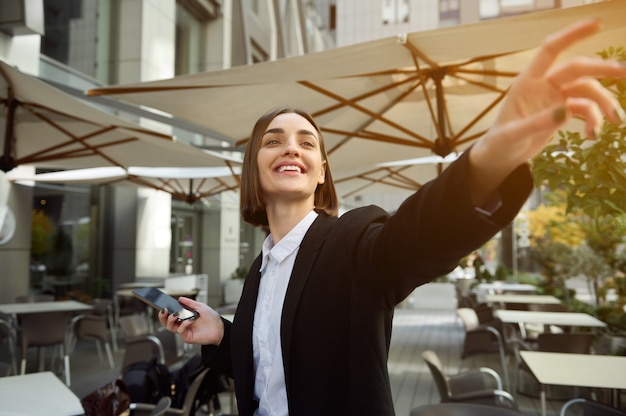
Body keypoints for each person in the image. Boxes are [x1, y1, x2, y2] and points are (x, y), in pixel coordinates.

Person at [159, 19, 626, 415]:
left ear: (322, 171)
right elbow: (272, 363)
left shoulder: (354, 241)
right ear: (254, 170)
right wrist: (221, 334)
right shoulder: (261, 269)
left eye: (307, 142)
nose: (292, 148)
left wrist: (488, 158)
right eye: (274, 140)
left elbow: (416, 238)